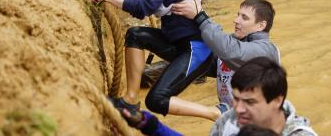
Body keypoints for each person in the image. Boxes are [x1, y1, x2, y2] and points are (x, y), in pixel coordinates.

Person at [85, 0, 213, 122]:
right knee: (135, 34)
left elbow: (143, 8)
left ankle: (215, 113)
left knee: (156, 100)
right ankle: (130, 100)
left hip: (196, 49)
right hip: (178, 44)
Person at [123, 57, 317, 136]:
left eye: (249, 102)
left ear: (277, 100)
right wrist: (149, 125)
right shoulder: (230, 120)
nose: (238, 108)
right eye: (237, 98)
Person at [167, 0, 280, 121]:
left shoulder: (266, 50)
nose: (236, 20)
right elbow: (212, 47)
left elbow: (231, 51)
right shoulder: (232, 42)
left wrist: (200, 16)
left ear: (261, 25)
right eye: (238, 15)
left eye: (244, 17)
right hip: (231, 116)